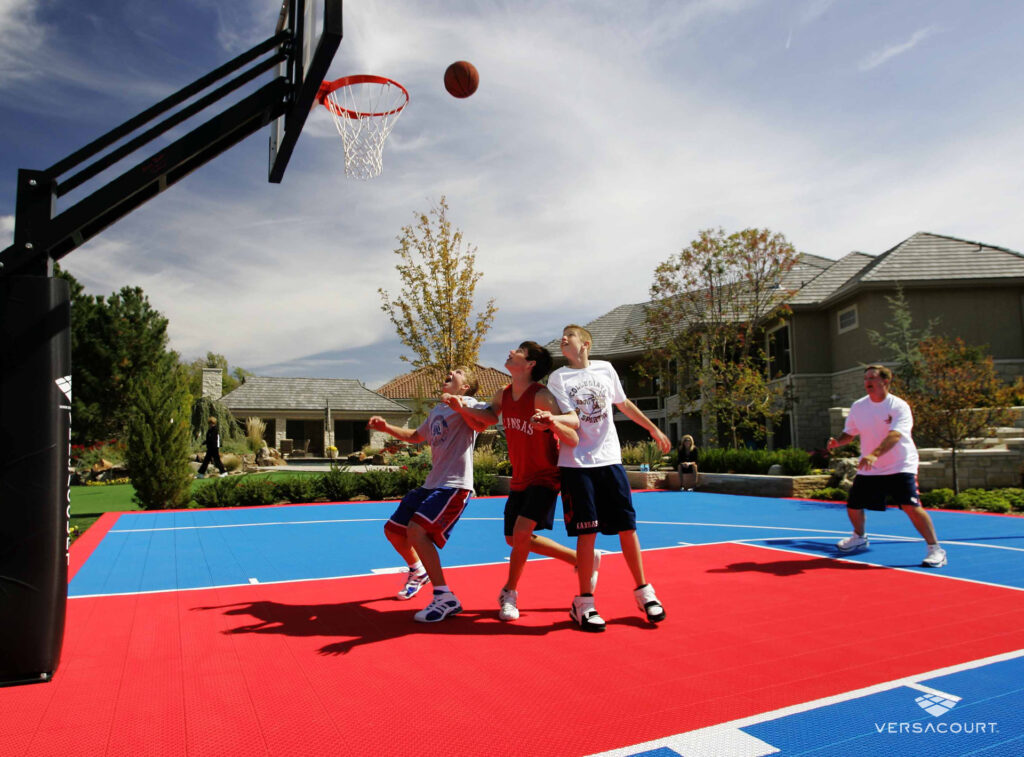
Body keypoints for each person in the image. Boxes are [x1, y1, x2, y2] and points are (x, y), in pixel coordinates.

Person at [444, 341, 598, 622]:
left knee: (522, 532)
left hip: (545, 475)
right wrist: (461, 408)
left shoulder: (541, 397)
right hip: (520, 477)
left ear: (529, 365)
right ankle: (580, 560)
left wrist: (551, 421)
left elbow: (573, 430)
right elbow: (489, 418)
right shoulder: (503, 393)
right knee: (514, 539)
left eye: (517, 351)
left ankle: (509, 593)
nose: (510, 352)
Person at [537, 324, 671, 632]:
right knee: (587, 533)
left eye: (568, 336)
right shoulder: (559, 378)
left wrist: (652, 428)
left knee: (627, 528)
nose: (562, 339)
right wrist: (554, 419)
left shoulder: (606, 369)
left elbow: (623, 404)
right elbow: (571, 417)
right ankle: (584, 602)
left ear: (584, 343)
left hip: (609, 460)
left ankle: (644, 592)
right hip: (577, 465)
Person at [367, 366, 490, 623]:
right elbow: (415, 436)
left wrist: (460, 407)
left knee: (417, 530)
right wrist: (386, 427)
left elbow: (485, 421)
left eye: (458, 371)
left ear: (465, 386)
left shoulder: (469, 403)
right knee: (393, 530)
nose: (451, 371)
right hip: (431, 484)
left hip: (455, 485)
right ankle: (417, 571)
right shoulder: (437, 410)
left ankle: (445, 596)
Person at [827, 364, 947, 568]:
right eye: (865, 379)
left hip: (900, 464)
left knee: (911, 506)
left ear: (885, 381)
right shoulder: (859, 406)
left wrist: (874, 454)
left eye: (872, 378)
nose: (867, 382)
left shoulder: (898, 406)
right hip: (871, 467)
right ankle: (859, 537)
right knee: (854, 504)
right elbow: (851, 432)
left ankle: (935, 549)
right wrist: (838, 442)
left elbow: (895, 435)